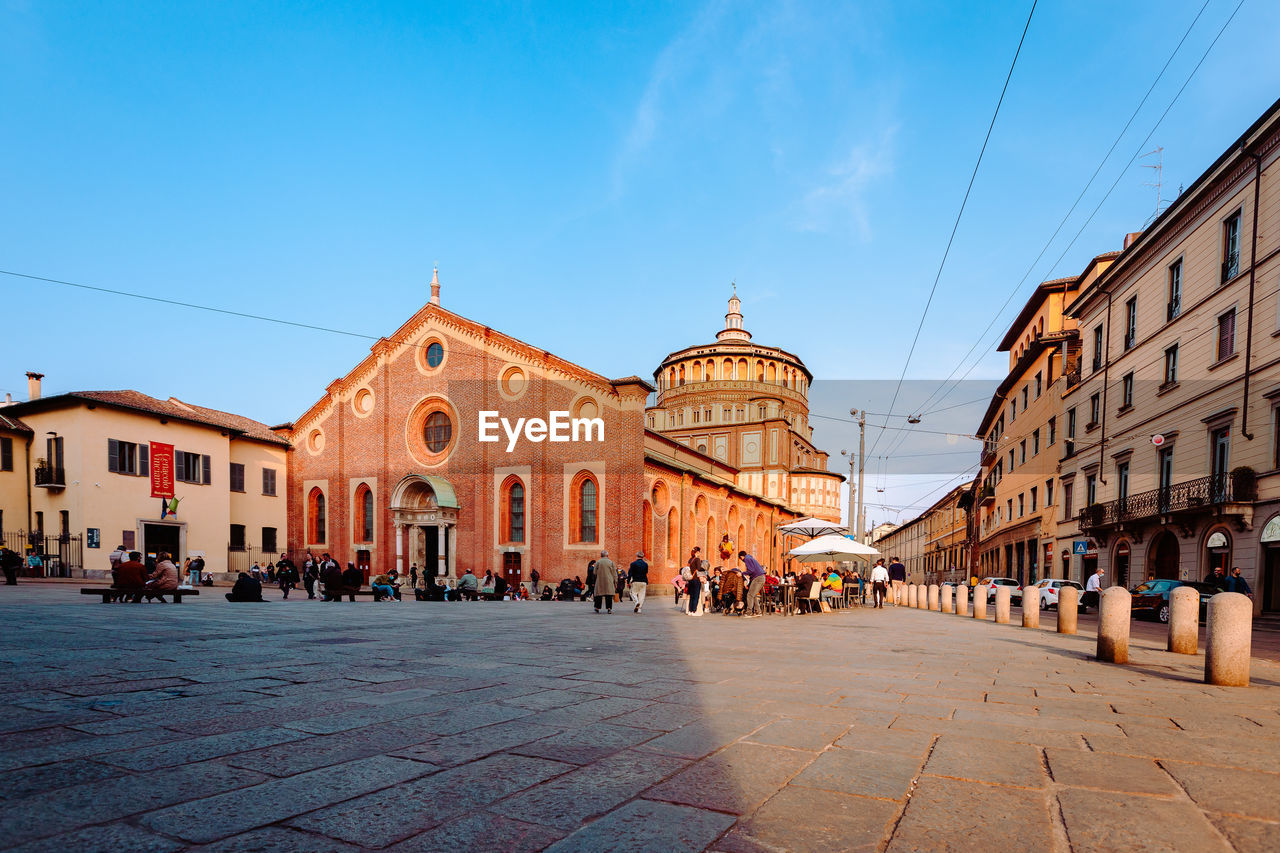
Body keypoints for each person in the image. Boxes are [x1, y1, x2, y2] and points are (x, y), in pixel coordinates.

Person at [739, 550, 766, 618]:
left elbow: (751, 570)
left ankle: (749, 612)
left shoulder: (747, 559)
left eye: (741, 559)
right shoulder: (750, 558)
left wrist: (742, 573)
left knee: (750, 595)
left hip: (758, 578)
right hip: (760, 577)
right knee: (753, 595)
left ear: (742, 557)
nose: (742, 561)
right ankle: (758, 611)